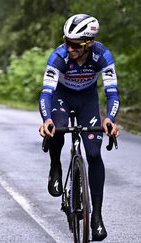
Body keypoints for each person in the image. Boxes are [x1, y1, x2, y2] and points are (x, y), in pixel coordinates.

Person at [38, 14, 120, 241]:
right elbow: (46, 93)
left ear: (88, 44)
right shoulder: (59, 56)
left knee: (94, 153)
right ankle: (55, 166)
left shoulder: (102, 55)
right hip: (62, 99)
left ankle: (97, 217)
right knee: (58, 128)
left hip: (87, 100)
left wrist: (110, 118)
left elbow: (112, 92)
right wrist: (46, 120)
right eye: (66, 41)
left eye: (74, 44)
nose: (69, 47)